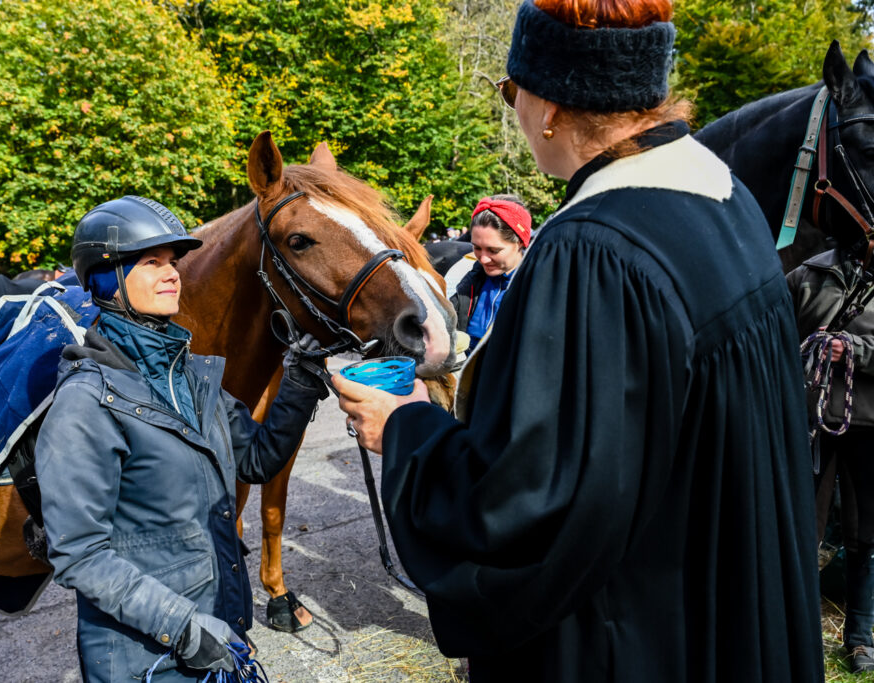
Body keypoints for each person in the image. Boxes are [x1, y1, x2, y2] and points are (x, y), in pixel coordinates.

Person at [331, 0, 823, 681]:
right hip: (722, 618)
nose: (516, 110)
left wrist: (407, 428)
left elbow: (528, 505)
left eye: (511, 93)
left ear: (549, 103)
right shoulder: (724, 199)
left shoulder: (592, 250)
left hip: (634, 642)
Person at [35, 195, 328, 683]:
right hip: (145, 658)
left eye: (173, 262)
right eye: (152, 263)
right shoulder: (85, 402)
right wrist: (187, 629)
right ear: (106, 280)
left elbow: (256, 461)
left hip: (217, 633)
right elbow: (80, 553)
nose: (173, 273)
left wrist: (299, 381)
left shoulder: (193, 375)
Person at [787, 242, 874, 672]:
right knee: (803, 531)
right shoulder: (805, 277)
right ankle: (798, 631)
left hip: (869, 429)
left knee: (864, 538)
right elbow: (775, 344)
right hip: (811, 426)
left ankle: (860, 640)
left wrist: (855, 350)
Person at [451, 195, 531, 353]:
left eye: (494, 250)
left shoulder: (535, 289)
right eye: (477, 248)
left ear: (520, 243)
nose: (484, 259)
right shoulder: (473, 280)